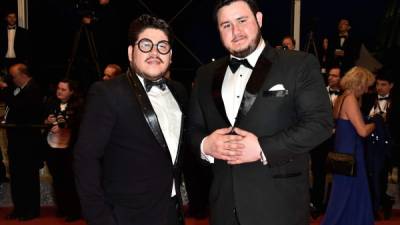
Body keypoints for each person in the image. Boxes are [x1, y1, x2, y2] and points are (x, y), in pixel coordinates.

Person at [187, 1, 333, 225]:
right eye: (226, 25)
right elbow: (194, 129)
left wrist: (263, 148)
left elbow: (320, 124)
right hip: (223, 208)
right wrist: (205, 145)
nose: (235, 31)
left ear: (259, 19)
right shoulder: (205, 74)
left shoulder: (298, 64)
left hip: (279, 206)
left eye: (242, 20)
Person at [74, 14, 187, 225]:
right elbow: (85, 159)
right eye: (146, 45)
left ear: (170, 55)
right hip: (126, 216)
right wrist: (100, 218)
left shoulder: (179, 92)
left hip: (172, 212)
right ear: (130, 52)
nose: (155, 51)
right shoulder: (106, 93)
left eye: (162, 46)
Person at [321, 66, 376, 225]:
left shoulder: (341, 97)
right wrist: (375, 123)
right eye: (366, 85)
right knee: (348, 193)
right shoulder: (350, 99)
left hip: (342, 151)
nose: (366, 90)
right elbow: (363, 131)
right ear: (359, 83)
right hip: (351, 154)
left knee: (343, 193)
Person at [0, 63, 43, 221]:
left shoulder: (33, 89)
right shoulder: (17, 89)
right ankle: (19, 208)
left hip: (28, 143)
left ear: (23, 75)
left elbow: (20, 108)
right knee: (17, 177)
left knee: (28, 178)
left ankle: (31, 210)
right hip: (16, 142)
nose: (11, 80)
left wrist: (4, 89)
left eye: (13, 76)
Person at [44, 79, 83, 222]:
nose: (59, 91)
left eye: (64, 89)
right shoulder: (51, 103)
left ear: (72, 92)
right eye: (58, 88)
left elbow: (79, 124)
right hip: (52, 147)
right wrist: (47, 121)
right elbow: (44, 119)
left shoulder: (78, 106)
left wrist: (65, 125)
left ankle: (74, 211)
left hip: (68, 149)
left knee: (70, 181)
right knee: (57, 180)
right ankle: (62, 208)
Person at [361, 69, 397, 219]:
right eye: (377, 84)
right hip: (369, 144)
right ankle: (375, 206)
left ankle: (384, 202)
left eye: (383, 85)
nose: (379, 87)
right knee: (373, 175)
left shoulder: (396, 102)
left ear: (391, 86)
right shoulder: (368, 98)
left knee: (383, 176)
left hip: (390, 145)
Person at [309, 64, 343, 218]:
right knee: (318, 172)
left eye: (335, 75)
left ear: (341, 78)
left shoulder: (347, 96)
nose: (330, 77)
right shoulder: (319, 92)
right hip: (319, 139)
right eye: (330, 74)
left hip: (339, 138)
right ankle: (316, 203)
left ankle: (335, 205)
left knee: (339, 172)